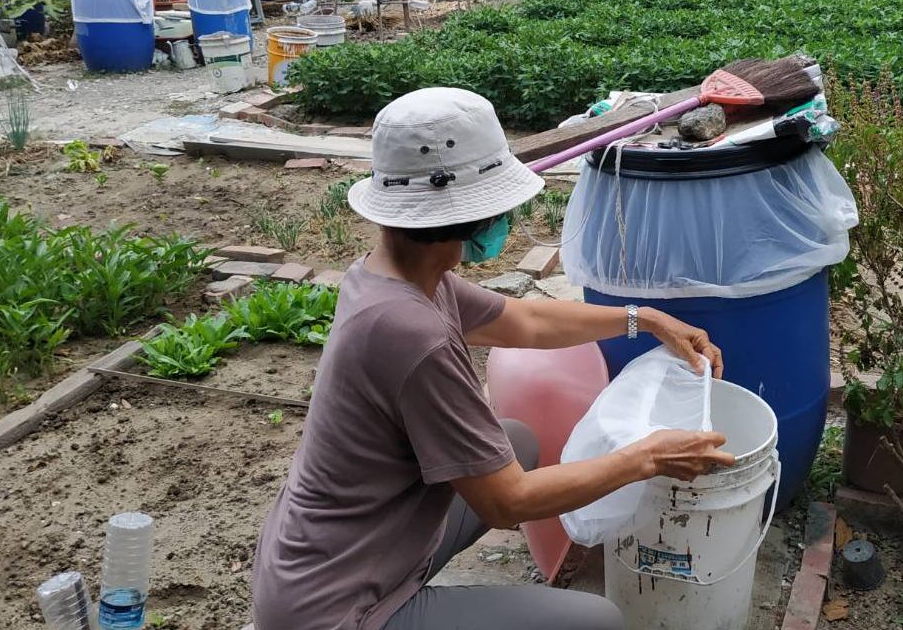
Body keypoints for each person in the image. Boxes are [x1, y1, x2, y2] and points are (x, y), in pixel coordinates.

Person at [252, 87, 735, 630]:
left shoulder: (398, 276)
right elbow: (507, 502)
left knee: (516, 440)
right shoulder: (412, 333)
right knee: (595, 622)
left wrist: (644, 318)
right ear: (472, 215)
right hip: (333, 611)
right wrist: (646, 457)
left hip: (332, 554)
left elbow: (524, 321)